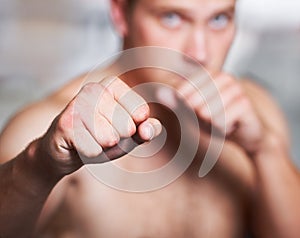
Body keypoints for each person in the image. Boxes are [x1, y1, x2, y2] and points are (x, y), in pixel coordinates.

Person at [0, 0, 300, 237]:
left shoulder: (254, 111)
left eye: (219, 19)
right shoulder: (49, 129)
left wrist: (265, 149)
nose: (200, 52)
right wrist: (39, 164)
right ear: (119, 12)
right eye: (172, 17)